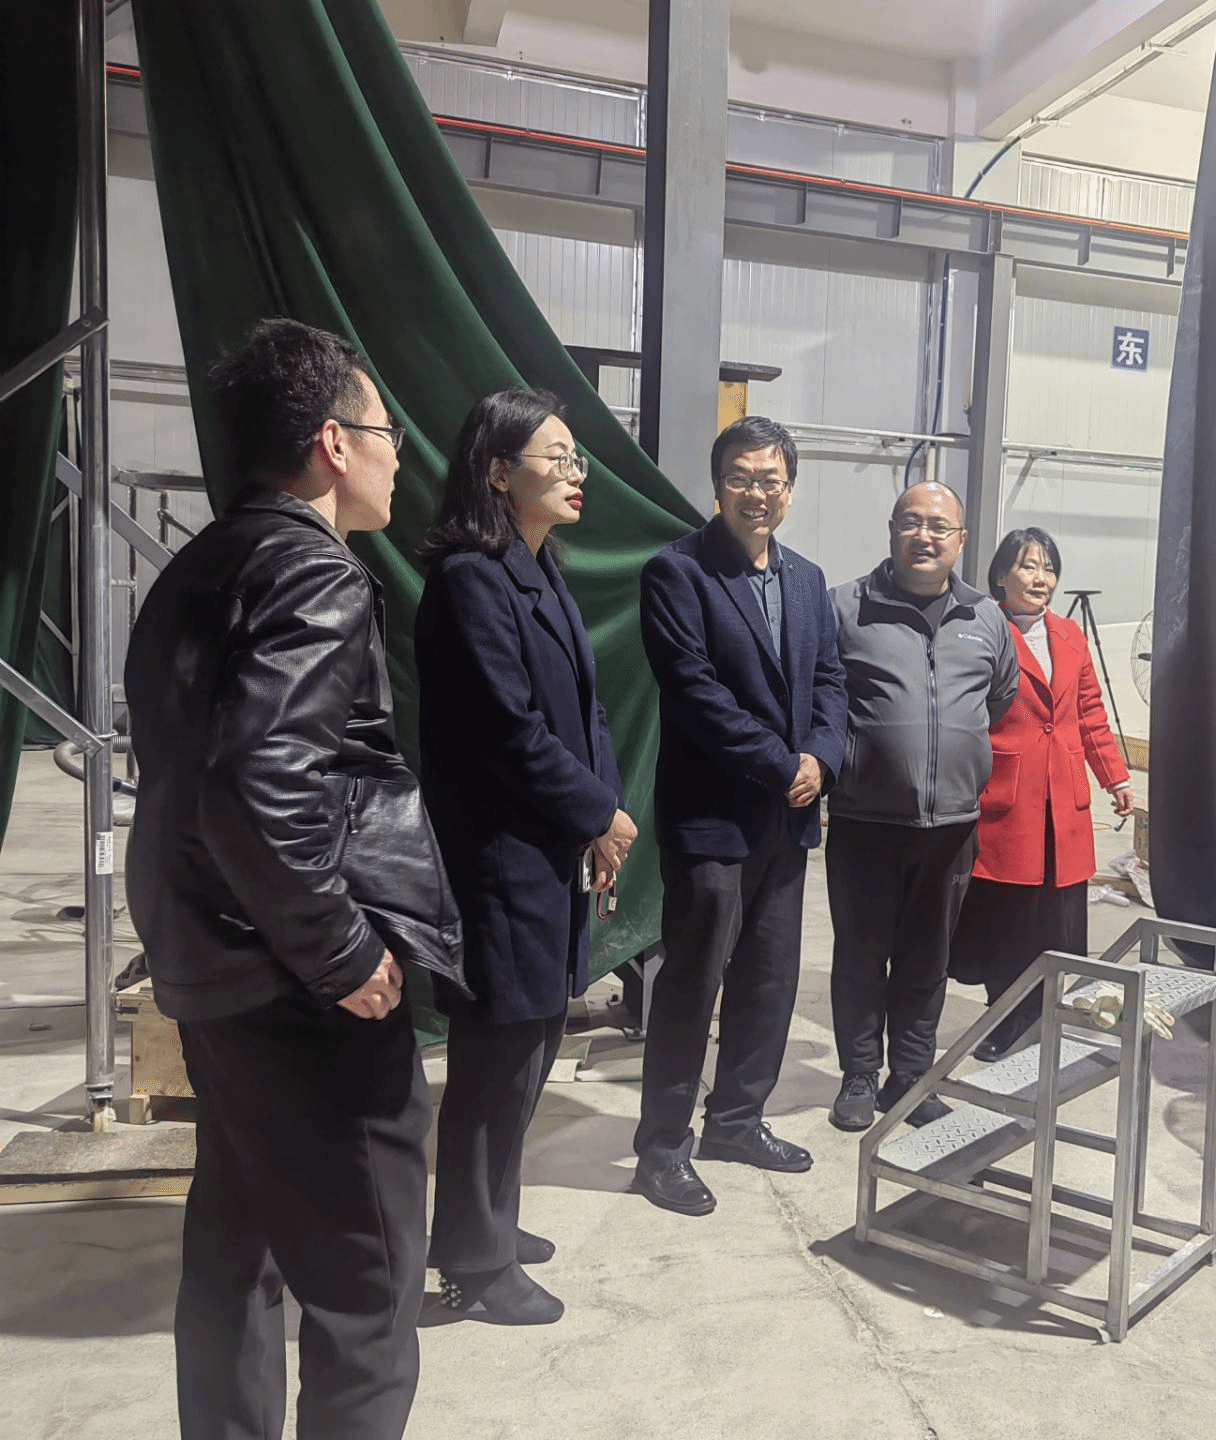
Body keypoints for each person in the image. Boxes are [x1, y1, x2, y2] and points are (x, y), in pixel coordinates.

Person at [125, 319, 463, 1440]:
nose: (398, 455)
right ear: (332, 441)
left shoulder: (200, 564)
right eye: (386, 431)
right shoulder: (315, 571)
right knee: (367, 1288)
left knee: (237, 1246)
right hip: (293, 981)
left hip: (208, 959)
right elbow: (257, 781)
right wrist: (342, 951)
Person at [414, 389, 633, 1323]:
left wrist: (603, 815)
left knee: (534, 1045)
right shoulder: (471, 579)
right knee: (497, 1060)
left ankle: (488, 1221)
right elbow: (507, 732)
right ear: (498, 473)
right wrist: (596, 814)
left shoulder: (539, 569)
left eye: (578, 458)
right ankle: (475, 1261)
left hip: (549, 853)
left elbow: (586, 713)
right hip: (500, 860)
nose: (576, 473)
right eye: (558, 457)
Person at [631, 416, 847, 1215]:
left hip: (787, 821)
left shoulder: (807, 580)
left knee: (769, 978)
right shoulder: (678, 573)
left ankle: (736, 1121)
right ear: (718, 485)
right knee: (693, 984)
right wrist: (782, 764)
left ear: (791, 489)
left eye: (772, 480)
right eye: (742, 478)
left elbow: (831, 682)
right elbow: (695, 694)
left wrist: (821, 759)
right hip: (713, 819)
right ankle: (662, 1148)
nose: (758, 493)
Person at [827, 481, 1020, 1132]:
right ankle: (859, 1075)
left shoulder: (986, 618)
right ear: (891, 531)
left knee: (926, 959)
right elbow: (823, 699)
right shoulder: (846, 608)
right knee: (861, 954)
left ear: (961, 541)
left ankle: (910, 1078)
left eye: (939, 527)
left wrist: (953, 759)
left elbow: (999, 697)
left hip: (952, 825)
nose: (925, 536)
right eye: (911, 523)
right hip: (865, 820)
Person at [948, 529, 1133, 1061]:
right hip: (1008, 798)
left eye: (1049, 568)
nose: (1041, 578)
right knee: (1010, 918)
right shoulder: (982, 628)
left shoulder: (1069, 635)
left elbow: (1088, 711)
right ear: (1000, 575)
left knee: (1057, 916)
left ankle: (1044, 1014)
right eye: (1028, 566)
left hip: (1064, 799)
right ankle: (1004, 1017)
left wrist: (1115, 776)